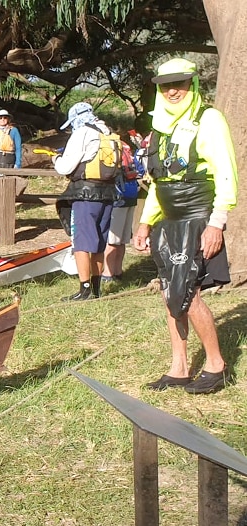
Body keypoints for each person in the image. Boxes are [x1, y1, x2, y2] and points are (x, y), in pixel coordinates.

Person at [132, 58, 237, 394]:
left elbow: (226, 175)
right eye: (166, 85)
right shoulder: (159, 128)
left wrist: (216, 224)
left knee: (188, 294)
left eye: (179, 83)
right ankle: (178, 368)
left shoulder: (209, 119)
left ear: (191, 84)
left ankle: (216, 365)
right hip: (168, 219)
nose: (172, 90)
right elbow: (159, 183)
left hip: (198, 214)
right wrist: (145, 224)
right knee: (169, 292)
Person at [52, 102, 118, 301]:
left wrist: (56, 160)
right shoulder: (107, 131)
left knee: (81, 242)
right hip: (108, 194)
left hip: (85, 193)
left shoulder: (82, 133)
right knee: (99, 241)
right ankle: (96, 290)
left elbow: (65, 167)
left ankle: (85, 289)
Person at [102, 136, 143, 283]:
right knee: (123, 239)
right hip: (131, 195)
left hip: (118, 197)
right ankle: (118, 272)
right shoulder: (127, 149)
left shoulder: (109, 149)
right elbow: (140, 169)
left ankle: (107, 274)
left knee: (113, 240)